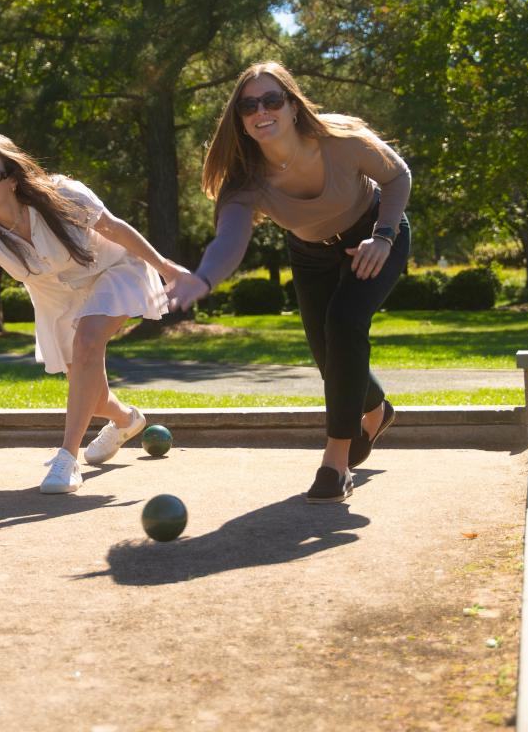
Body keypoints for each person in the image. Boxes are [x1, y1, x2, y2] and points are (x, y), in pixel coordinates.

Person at [168, 62, 412, 503]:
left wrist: (384, 235)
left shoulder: (341, 141)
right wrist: (203, 277)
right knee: (327, 356)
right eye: (248, 105)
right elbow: (228, 240)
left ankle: (334, 465)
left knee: (343, 323)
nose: (261, 110)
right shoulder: (246, 181)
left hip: (375, 236)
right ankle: (375, 408)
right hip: (311, 254)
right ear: (239, 120)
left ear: (294, 106)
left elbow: (397, 176)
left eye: (272, 100)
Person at [0, 132, 190, 494]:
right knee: (93, 398)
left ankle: (67, 458)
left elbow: (115, 228)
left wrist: (166, 268)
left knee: (87, 343)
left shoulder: (63, 194)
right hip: (58, 301)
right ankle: (128, 419)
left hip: (112, 271)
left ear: (13, 179)